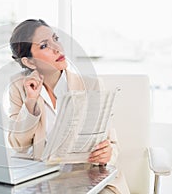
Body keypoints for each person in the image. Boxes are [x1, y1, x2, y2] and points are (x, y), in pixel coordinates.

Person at [8, 19, 130, 194]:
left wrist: (108, 153)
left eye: (55, 39)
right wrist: (30, 102)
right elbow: (18, 145)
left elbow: (112, 144)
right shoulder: (19, 86)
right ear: (29, 62)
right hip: (44, 180)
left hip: (90, 179)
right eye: (44, 46)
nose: (57, 48)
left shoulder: (91, 85)